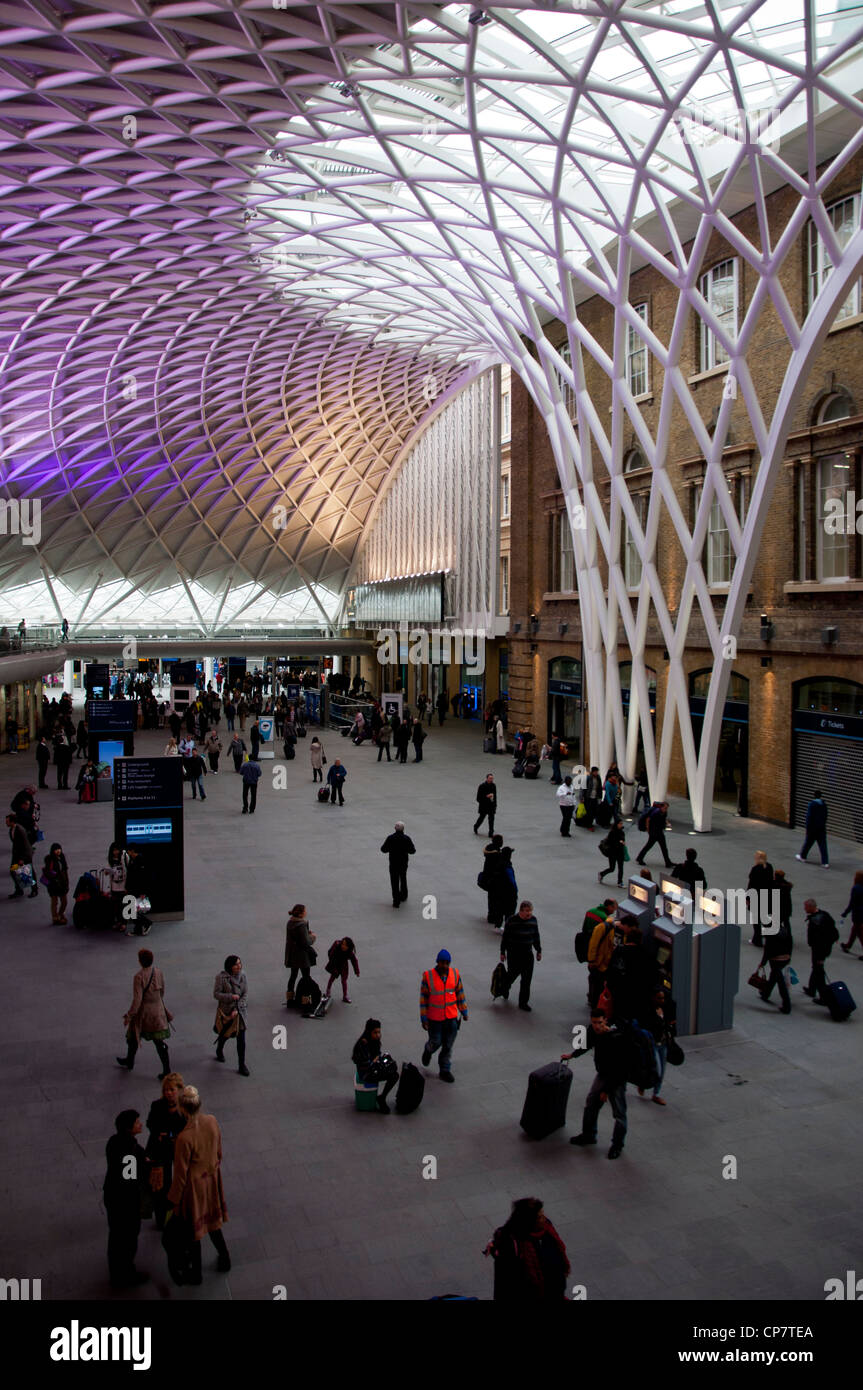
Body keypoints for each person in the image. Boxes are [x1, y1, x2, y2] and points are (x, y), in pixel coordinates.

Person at [166, 1085, 230, 1285]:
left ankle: (196, 1273)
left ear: (182, 1109)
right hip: (211, 1180)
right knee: (213, 1223)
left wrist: (173, 1199)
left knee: (194, 1232)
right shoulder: (211, 1121)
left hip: (193, 1189)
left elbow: (180, 1174)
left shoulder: (184, 1138)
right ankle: (225, 1257)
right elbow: (219, 1151)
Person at [564, 1010, 629, 1158]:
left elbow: (618, 1068)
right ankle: (589, 1135)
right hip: (603, 1073)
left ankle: (617, 1145)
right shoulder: (593, 1031)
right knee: (591, 1103)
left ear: (605, 1021)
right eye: (594, 1023)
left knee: (619, 1113)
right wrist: (572, 1055)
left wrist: (605, 1091)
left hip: (616, 1078)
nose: (597, 1026)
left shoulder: (615, 1038)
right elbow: (586, 1044)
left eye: (599, 1022)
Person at [484, 1198, 570, 1302]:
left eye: (542, 1214)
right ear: (528, 1221)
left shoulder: (547, 1227)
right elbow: (505, 1281)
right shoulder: (510, 1243)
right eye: (539, 1217)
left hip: (554, 1292)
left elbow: (557, 1252)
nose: (543, 1219)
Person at [103, 1109, 149, 1289]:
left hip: (112, 1197)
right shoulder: (130, 1151)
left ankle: (116, 1272)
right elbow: (130, 1178)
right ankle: (126, 1274)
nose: (140, 1124)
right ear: (129, 1128)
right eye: (137, 1122)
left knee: (115, 1237)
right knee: (128, 1238)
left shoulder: (114, 1141)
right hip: (126, 1203)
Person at [117, 948, 173, 1076]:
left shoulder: (139, 977)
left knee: (133, 1036)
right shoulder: (158, 972)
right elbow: (162, 990)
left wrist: (129, 1015)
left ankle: (129, 1060)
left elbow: (137, 1000)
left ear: (140, 961)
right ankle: (166, 1069)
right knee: (159, 1041)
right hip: (158, 1011)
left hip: (144, 1013)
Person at [145, 1072, 187, 1230]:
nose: (168, 1093)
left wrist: (172, 1135)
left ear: (179, 1090)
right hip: (160, 1150)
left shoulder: (184, 1108)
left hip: (177, 1149)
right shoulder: (157, 1105)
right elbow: (150, 1123)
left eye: (171, 1090)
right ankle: (161, 1217)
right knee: (162, 1185)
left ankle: (176, 1212)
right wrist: (159, 1133)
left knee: (179, 1181)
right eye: (166, 1090)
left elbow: (186, 1128)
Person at [420, 949, 468, 1082]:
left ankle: (445, 1070)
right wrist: (424, 1018)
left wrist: (464, 1011)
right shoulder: (428, 977)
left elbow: (460, 994)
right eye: (442, 963)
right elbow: (423, 999)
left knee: (448, 1045)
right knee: (436, 1041)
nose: (445, 966)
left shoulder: (455, 974)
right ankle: (428, 1050)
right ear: (437, 962)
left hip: (451, 1018)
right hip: (435, 1019)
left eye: (447, 963)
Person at [500, 901, 542, 1010]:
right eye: (527, 911)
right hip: (514, 955)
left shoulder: (533, 920)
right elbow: (505, 937)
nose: (530, 913)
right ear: (521, 910)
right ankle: (505, 987)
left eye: (531, 911)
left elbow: (536, 936)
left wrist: (538, 950)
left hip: (528, 955)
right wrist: (502, 952)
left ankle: (523, 1003)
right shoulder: (512, 920)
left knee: (526, 980)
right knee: (511, 975)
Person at [352, 1019, 399, 1114]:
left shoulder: (374, 1041)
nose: (378, 1035)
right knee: (394, 1076)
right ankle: (382, 1098)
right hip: (366, 1073)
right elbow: (365, 1063)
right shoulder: (363, 1044)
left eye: (379, 1032)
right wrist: (376, 1060)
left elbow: (377, 1055)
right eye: (375, 1032)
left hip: (373, 1068)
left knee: (393, 1070)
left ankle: (382, 1097)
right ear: (369, 1032)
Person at [213, 954, 249, 1075]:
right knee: (226, 1034)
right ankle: (219, 1048)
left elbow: (245, 994)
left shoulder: (243, 975)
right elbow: (216, 994)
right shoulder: (221, 978)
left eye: (240, 963)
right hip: (227, 1012)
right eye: (236, 964)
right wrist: (230, 997)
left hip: (240, 1013)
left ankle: (241, 1064)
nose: (239, 966)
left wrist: (239, 1008)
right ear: (230, 966)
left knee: (241, 1040)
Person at [640, 987, 677, 1103]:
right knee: (658, 1070)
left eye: (663, 998)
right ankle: (644, 1083)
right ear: (653, 998)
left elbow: (670, 1024)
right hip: (653, 1044)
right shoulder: (648, 1012)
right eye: (659, 998)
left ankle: (656, 1093)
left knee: (662, 1070)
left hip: (664, 1043)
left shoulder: (666, 1009)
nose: (662, 1000)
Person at [757, 906, 793, 1014]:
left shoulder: (770, 933)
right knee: (774, 976)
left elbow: (768, 950)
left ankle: (787, 1005)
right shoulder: (784, 929)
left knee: (780, 982)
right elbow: (790, 943)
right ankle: (766, 994)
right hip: (785, 957)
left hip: (776, 959)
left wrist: (763, 963)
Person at [802, 899, 838, 1006]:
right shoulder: (825, 915)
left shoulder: (815, 921)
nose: (804, 909)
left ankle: (823, 997)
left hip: (819, 950)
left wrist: (812, 945)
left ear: (811, 907)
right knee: (816, 969)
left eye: (806, 907)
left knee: (819, 973)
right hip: (825, 948)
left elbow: (813, 938)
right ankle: (811, 989)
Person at [585, 901, 618, 1007]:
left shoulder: (591, 911)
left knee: (592, 978)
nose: (614, 911)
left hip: (589, 950)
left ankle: (590, 996)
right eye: (614, 908)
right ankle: (595, 1001)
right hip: (599, 959)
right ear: (609, 907)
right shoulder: (604, 920)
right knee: (598, 982)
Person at [284, 905, 316, 1007]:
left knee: (293, 975)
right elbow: (306, 942)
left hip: (293, 954)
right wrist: (312, 937)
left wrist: (306, 934)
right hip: (302, 956)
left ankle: (290, 998)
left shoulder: (290, 922)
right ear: (301, 913)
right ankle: (305, 1001)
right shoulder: (301, 924)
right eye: (305, 911)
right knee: (306, 977)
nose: (306, 912)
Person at [381, 821, 416, 907]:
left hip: (393, 863)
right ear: (403, 829)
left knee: (394, 881)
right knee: (403, 878)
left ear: (395, 828)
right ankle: (403, 895)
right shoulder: (407, 838)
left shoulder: (390, 838)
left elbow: (383, 849)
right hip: (403, 863)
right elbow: (412, 851)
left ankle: (396, 901)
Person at [747, 850, 774, 948]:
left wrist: (748, 897)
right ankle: (771, 935)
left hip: (756, 897)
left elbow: (752, 884)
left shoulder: (755, 869)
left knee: (756, 920)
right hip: (766, 895)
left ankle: (757, 940)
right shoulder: (769, 867)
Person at [487, 845, 517, 931]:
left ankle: (498, 925)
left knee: (500, 909)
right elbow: (512, 880)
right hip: (508, 893)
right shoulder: (506, 866)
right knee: (509, 910)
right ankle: (506, 927)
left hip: (499, 892)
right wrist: (515, 891)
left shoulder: (498, 864)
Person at [7, 812, 36, 899]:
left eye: (7, 821)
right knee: (13, 871)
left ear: (12, 822)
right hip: (17, 855)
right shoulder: (12, 829)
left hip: (24, 855)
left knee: (29, 872)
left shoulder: (20, 830)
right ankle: (19, 889)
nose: (6, 823)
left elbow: (25, 845)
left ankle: (34, 889)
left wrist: (22, 858)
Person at [635, 800, 672, 868]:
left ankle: (668, 862)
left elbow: (664, 818)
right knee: (649, 846)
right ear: (661, 807)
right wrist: (648, 830)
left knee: (663, 848)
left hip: (659, 832)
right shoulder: (656, 812)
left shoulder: (664, 812)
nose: (666, 809)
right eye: (665, 808)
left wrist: (667, 823)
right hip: (654, 833)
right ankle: (639, 858)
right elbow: (648, 820)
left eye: (667, 808)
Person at [796, 791, 829, 867]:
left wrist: (808, 828)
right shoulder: (824, 805)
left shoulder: (812, 805)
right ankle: (825, 862)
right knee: (823, 845)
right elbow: (825, 816)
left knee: (808, 843)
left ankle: (802, 857)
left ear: (814, 796)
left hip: (813, 829)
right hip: (821, 829)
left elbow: (809, 817)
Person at [324, 937, 360, 1002]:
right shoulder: (337, 946)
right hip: (335, 964)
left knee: (344, 981)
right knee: (332, 978)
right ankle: (328, 991)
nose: (343, 946)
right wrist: (332, 964)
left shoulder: (349, 952)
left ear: (349, 947)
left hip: (344, 966)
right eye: (343, 944)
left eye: (345, 945)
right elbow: (330, 953)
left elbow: (354, 961)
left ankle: (345, 996)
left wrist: (357, 971)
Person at [42, 841, 69, 923]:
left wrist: (67, 882)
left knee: (64, 902)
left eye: (59, 849)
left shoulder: (62, 858)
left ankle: (60, 914)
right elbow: (48, 871)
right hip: (53, 884)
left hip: (62, 884)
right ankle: (55, 917)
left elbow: (65, 870)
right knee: (55, 902)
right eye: (56, 849)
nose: (58, 851)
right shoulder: (49, 859)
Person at [106, 841, 129, 929]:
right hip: (114, 886)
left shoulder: (124, 857)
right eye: (114, 851)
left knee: (123, 905)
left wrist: (122, 858)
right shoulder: (111, 859)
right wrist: (107, 872)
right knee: (116, 905)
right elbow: (108, 869)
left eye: (117, 850)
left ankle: (124, 923)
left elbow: (127, 870)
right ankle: (118, 921)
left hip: (123, 885)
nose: (115, 852)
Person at [840, 869, 863, 956]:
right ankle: (848, 945)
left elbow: (852, 903)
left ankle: (848, 945)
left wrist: (845, 913)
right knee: (855, 930)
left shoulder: (856, 888)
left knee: (860, 932)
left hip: (858, 913)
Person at [598, 816, 626, 887]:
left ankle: (620, 882)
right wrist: (620, 842)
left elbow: (622, 840)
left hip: (620, 852)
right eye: (620, 824)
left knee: (621, 868)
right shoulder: (612, 833)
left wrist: (622, 842)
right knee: (612, 868)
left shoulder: (622, 832)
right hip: (613, 853)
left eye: (621, 824)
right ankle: (602, 874)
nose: (621, 825)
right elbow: (612, 842)